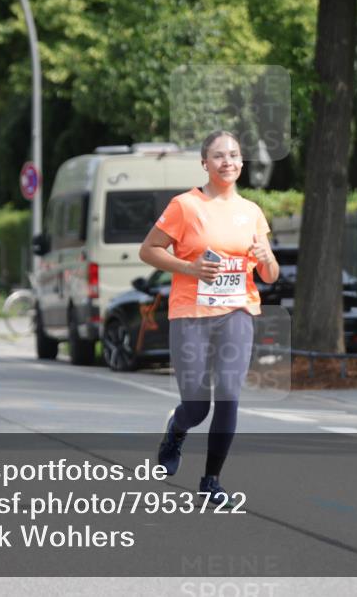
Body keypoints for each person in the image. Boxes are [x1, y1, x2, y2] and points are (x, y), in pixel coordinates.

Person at [139, 130, 279, 506]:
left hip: (238, 311)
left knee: (229, 395)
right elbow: (148, 250)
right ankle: (176, 429)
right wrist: (190, 268)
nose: (227, 161)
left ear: (242, 162)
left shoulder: (252, 212)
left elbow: (269, 275)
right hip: (192, 314)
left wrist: (266, 259)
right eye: (219, 155)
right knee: (197, 406)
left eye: (233, 155)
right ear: (205, 163)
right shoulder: (185, 206)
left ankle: (211, 480)